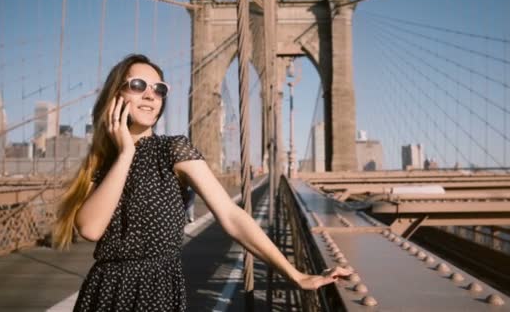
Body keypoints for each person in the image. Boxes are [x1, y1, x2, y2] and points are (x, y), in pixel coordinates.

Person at [53, 54, 350, 311]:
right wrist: (125, 154)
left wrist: (295, 275)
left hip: (157, 292)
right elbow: (91, 229)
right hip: (104, 293)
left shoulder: (173, 150)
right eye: (138, 85)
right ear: (117, 95)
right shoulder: (104, 162)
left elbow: (232, 216)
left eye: (159, 89)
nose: (150, 95)